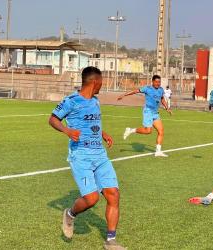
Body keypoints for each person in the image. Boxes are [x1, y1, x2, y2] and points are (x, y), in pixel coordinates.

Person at [49, 67, 125, 250]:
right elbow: (52, 119)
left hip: (100, 155)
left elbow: (93, 123)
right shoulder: (71, 101)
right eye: (101, 82)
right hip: (81, 156)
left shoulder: (96, 101)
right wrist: (67, 131)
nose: (102, 85)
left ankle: (111, 241)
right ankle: (70, 214)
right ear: (95, 82)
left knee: (113, 194)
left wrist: (103, 133)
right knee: (91, 199)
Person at [118, 75, 172, 157]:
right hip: (148, 111)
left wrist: (167, 108)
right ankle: (131, 130)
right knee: (148, 131)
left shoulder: (161, 90)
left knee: (161, 131)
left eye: (159, 82)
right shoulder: (147, 88)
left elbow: (162, 99)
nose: (158, 83)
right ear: (152, 81)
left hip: (155, 113)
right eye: (156, 82)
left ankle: (158, 151)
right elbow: (136, 91)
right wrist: (124, 95)